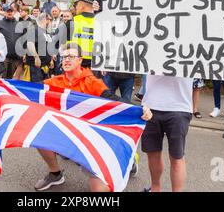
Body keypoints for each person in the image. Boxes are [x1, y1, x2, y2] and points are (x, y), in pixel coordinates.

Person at [34, 43, 152, 192]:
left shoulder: (91, 82)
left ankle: (128, 164)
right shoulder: (54, 82)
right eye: (64, 57)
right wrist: (0, 85)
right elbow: (29, 90)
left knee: (98, 190)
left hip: (89, 139)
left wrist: (140, 109)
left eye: (71, 56)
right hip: (68, 134)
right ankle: (55, 174)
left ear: (80, 60)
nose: (66, 60)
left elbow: (113, 99)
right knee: (38, 132)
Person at [141, 75, 194, 192]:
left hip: (180, 107)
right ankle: (155, 188)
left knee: (176, 156)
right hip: (150, 106)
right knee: (152, 153)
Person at [24, 13, 52, 83]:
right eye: (49, 20)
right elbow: (30, 43)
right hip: (35, 66)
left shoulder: (46, 33)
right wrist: (36, 57)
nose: (50, 22)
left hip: (44, 66)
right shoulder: (34, 29)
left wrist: (50, 59)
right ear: (45, 20)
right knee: (35, 89)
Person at [0, 3, 21, 79]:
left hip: (15, 57)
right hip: (3, 57)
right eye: (8, 11)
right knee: (1, 78)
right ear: (4, 12)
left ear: (14, 12)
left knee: (9, 79)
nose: (9, 13)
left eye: (11, 11)